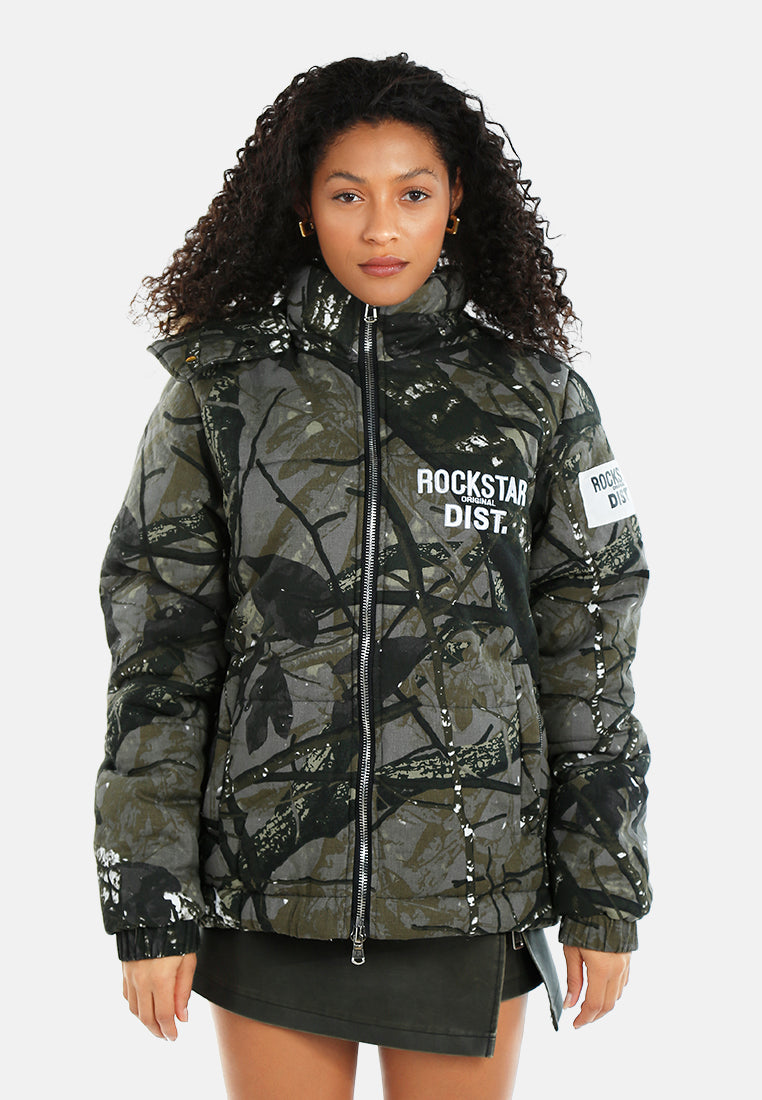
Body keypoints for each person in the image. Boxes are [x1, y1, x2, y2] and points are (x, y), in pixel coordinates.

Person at [94, 53, 651, 1100]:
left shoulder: (536, 398)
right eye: (348, 195)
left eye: (413, 194)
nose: (382, 228)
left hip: (469, 882)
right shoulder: (220, 392)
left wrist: (604, 888)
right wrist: (150, 897)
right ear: (303, 208)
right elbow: (159, 655)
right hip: (270, 887)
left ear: (456, 202)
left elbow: (591, 651)